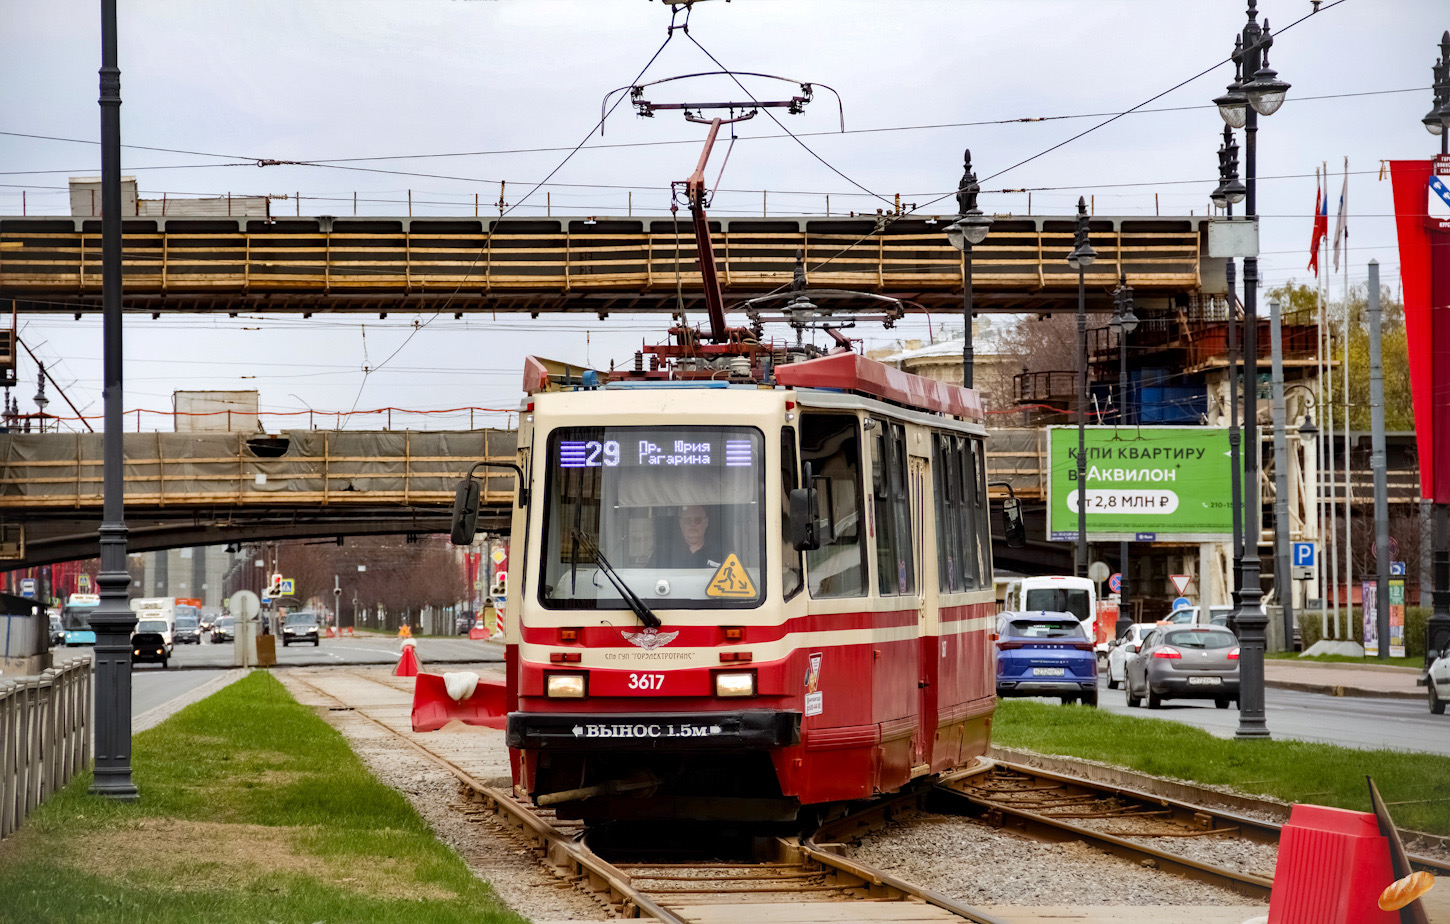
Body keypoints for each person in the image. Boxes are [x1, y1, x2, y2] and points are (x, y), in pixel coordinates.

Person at [653, 505, 723, 569]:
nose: (692, 525)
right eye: (688, 520)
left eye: (697, 520)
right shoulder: (665, 552)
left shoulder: (720, 553)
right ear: (681, 523)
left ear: (706, 522)